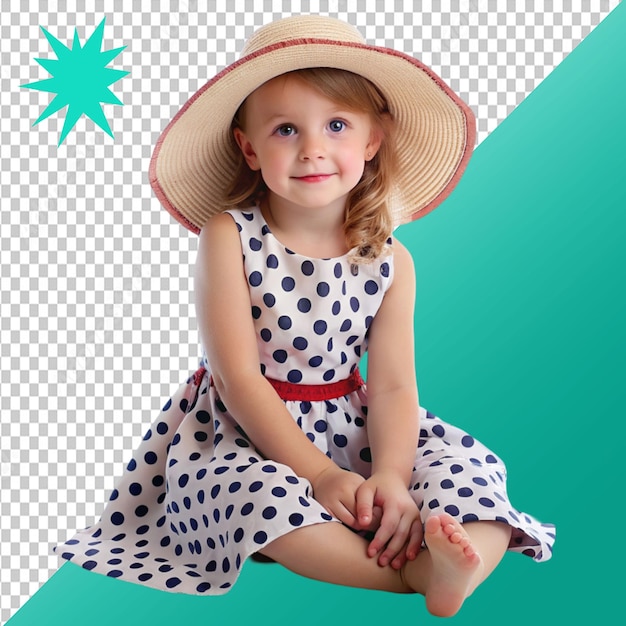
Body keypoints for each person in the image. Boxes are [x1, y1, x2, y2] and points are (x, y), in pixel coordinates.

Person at [55, 15, 555, 617]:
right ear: (249, 147)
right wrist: (318, 476)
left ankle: (455, 559)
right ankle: (412, 576)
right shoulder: (229, 236)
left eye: (337, 125)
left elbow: (395, 386)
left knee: (473, 471)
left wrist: (392, 476)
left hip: (357, 422)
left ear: (371, 141)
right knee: (259, 500)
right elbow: (238, 378)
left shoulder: (391, 259)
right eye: (286, 129)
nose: (313, 148)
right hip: (244, 432)